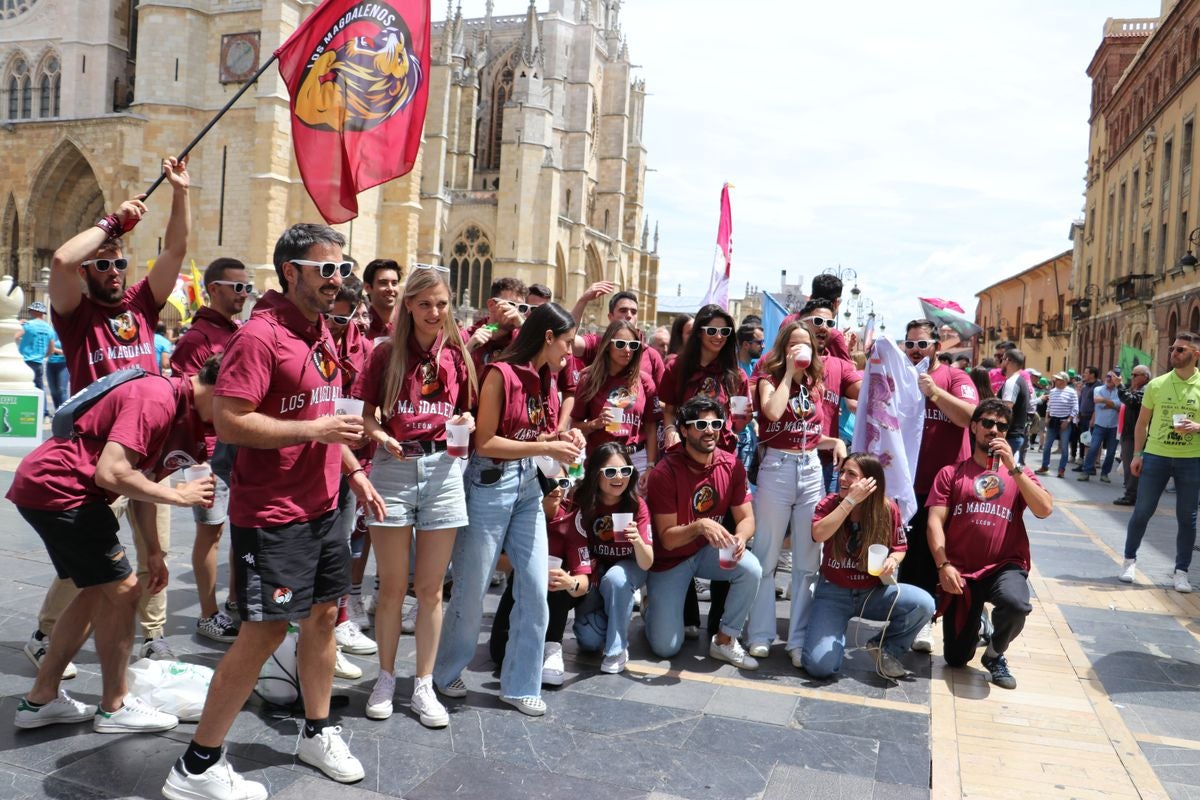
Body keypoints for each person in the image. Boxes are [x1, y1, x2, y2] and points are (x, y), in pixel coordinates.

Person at [162, 224, 386, 800]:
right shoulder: (259, 337)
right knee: (262, 634)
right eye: (327, 269)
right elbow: (230, 420)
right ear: (292, 272)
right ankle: (196, 764)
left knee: (323, 619)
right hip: (274, 514)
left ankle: (317, 730)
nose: (339, 279)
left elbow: (324, 412)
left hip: (322, 505)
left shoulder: (320, 332)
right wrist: (312, 429)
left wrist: (354, 470)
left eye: (342, 268)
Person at [29, 157, 191, 674]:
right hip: (98, 456)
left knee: (154, 549)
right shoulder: (76, 315)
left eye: (120, 262)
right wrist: (111, 225)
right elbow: (59, 261)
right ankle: (47, 634)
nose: (115, 271)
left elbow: (176, 251)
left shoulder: (142, 307)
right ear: (88, 272)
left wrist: (180, 193)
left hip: (148, 450)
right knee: (89, 559)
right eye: (103, 264)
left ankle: (152, 634)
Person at [7, 357, 219, 735]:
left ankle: (41, 699)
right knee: (124, 592)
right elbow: (112, 472)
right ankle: (114, 706)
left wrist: (152, 550)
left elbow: (142, 482)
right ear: (224, 388)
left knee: (97, 592)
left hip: (57, 490)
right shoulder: (157, 397)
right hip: (62, 490)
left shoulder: (193, 421)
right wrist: (180, 497)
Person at [433, 302, 584, 718]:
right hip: (489, 484)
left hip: (527, 488)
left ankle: (520, 684)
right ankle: (445, 671)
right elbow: (485, 442)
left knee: (536, 587)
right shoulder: (501, 374)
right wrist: (546, 445)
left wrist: (565, 438)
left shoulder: (548, 379)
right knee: (471, 586)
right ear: (548, 337)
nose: (571, 353)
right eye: (567, 343)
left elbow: (538, 435)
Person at [356, 264, 477, 726]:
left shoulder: (457, 355)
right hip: (394, 468)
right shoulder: (385, 353)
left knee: (429, 590)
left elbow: (466, 406)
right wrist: (379, 436)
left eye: (442, 304)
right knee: (390, 587)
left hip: (444, 469)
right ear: (408, 305)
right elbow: (364, 416)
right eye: (425, 303)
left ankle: (423, 684)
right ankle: (385, 677)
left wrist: (465, 420)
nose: (435, 312)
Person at [927, 399, 1053, 689]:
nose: (994, 430)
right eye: (987, 423)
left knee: (1016, 604)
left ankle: (995, 653)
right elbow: (935, 522)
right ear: (973, 427)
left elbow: (1045, 509)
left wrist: (1014, 467)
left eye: (1002, 426)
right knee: (956, 659)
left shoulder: (1019, 474)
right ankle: (979, 622)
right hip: (961, 573)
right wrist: (943, 565)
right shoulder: (951, 474)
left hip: (1003, 566)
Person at [750, 322, 847, 665]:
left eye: (807, 345)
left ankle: (798, 639)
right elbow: (773, 413)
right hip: (776, 467)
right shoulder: (768, 376)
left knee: (808, 560)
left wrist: (833, 441)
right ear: (783, 348)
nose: (802, 349)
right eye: (794, 344)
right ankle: (760, 634)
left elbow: (807, 431)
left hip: (809, 469)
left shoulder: (816, 382)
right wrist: (789, 374)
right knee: (766, 554)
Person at [644, 396, 763, 668]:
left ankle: (725, 640)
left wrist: (741, 538)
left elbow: (746, 518)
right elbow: (668, 539)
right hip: (671, 559)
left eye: (715, 424)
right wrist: (700, 525)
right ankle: (653, 605)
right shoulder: (665, 471)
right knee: (666, 648)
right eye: (700, 424)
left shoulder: (731, 465)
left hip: (706, 552)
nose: (709, 430)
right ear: (684, 430)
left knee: (752, 569)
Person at [170, 257, 249, 644]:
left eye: (247, 288)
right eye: (237, 287)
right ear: (213, 288)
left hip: (240, 444)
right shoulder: (196, 339)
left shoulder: (239, 332)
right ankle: (207, 613)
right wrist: (196, 457)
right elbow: (186, 399)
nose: (244, 294)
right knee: (211, 531)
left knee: (241, 527)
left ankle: (234, 600)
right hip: (210, 450)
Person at [803, 453, 934, 679]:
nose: (842, 478)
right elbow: (818, 533)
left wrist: (893, 560)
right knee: (820, 668)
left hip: (874, 591)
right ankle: (832, 635)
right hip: (833, 593)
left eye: (851, 474)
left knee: (924, 603)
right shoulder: (830, 503)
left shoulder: (887, 508)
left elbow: (900, 547)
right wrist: (850, 501)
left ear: (870, 481)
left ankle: (886, 648)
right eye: (842, 472)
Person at [901, 319, 979, 652]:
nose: (916, 350)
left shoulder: (955, 377)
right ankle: (910, 619)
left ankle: (930, 622)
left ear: (936, 346)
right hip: (909, 484)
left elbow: (970, 416)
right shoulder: (901, 377)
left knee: (941, 554)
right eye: (911, 344)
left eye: (923, 344)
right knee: (911, 554)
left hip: (947, 485)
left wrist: (934, 392)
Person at [489, 461, 591, 685]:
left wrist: (570, 582)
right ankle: (532, 642)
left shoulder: (573, 517)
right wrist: (527, 565)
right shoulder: (517, 510)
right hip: (521, 583)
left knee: (555, 577)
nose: (556, 488)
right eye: (549, 481)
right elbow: (496, 560)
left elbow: (583, 581)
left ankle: (553, 646)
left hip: (557, 591)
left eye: (562, 482)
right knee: (499, 654)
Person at [1120, 332, 1200, 591]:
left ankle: (1181, 571)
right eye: (1173, 349)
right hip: (1156, 456)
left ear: (1195, 354)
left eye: (1180, 350)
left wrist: (1197, 426)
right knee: (1142, 511)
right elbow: (1142, 423)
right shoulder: (1157, 384)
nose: (1173, 353)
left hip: (1191, 459)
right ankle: (1129, 561)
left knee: (1187, 517)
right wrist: (1137, 454)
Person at [572, 443, 654, 674]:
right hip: (594, 572)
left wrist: (637, 540)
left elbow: (647, 562)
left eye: (625, 471)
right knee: (588, 642)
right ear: (595, 474)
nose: (619, 478)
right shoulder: (581, 500)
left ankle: (617, 648)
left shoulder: (637, 505)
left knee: (616, 579)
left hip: (627, 569)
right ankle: (616, 616)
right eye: (610, 472)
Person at [570, 320, 659, 469]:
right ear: (607, 346)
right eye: (620, 344)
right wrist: (594, 424)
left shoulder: (644, 381)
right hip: (601, 457)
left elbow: (651, 427)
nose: (627, 350)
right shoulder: (589, 380)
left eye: (633, 345)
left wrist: (650, 465)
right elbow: (575, 425)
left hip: (636, 459)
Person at [570, 286, 666, 385]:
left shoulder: (652, 356)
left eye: (634, 312)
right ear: (610, 317)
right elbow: (570, 342)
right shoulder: (597, 344)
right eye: (623, 310)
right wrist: (582, 301)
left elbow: (662, 396)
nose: (629, 315)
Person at [464, 276, 527, 367]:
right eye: (510, 305)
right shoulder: (466, 337)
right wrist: (468, 348)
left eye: (521, 308)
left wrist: (523, 326)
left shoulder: (521, 340)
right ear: (491, 305)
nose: (515, 312)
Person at [1114, 365, 1152, 505]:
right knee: (1128, 465)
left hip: (1134, 435)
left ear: (1145, 377)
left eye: (1136, 375)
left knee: (1132, 466)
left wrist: (1120, 386)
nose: (1133, 377)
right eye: (1132, 374)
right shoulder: (1137, 388)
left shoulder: (1146, 390)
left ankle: (1131, 496)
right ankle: (1131, 493)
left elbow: (1131, 401)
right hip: (1128, 432)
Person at [1078, 369, 1122, 483]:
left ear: (1117, 379)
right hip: (1100, 425)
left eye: (1111, 377)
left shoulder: (1121, 391)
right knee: (1093, 448)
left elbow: (1120, 406)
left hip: (1114, 426)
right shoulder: (1098, 389)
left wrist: (1105, 401)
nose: (1108, 378)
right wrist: (1113, 404)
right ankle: (1086, 472)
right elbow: (1098, 402)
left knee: (1111, 452)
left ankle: (1105, 474)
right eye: (1107, 376)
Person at [1035, 372, 1078, 479]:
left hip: (1064, 422)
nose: (1055, 381)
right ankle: (1045, 466)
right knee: (1047, 446)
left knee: (1064, 447)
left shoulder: (1072, 392)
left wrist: (1068, 421)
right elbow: (1049, 406)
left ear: (1064, 381)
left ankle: (1061, 470)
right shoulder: (1053, 391)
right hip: (1052, 421)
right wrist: (1047, 417)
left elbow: (1075, 408)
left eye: (1058, 379)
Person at [735, 323, 765, 475]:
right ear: (746, 345)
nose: (763, 346)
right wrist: (753, 422)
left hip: (750, 434)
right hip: (739, 434)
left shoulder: (755, 367)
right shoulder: (734, 368)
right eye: (759, 343)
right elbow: (736, 403)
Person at [15, 300, 53, 414]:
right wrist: (42, 355)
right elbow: (50, 350)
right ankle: (44, 411)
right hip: (39, 362)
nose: (30, 312)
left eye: (31, 310)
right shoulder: (49, 328)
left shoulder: (28, 325)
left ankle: (22, 409)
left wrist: (18, 324)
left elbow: (14, 336)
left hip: (25, 361)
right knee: (40, 387)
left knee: (22, 386)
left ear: (35, 312)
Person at [999, 349, 1031, 460]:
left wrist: (1000, 435)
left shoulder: (1012, 382)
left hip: (1010, 436)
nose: (1000, 363)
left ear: (1007, 360)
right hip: (1015, 435)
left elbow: (1006, 410)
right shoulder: (1020, 380)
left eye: (1001, 359)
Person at [362, 258, 401, 340]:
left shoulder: (409, 323)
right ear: (367, 287)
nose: (390, 289)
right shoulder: (361, 325)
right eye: (383, 283)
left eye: (394, 283)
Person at [1072, 367, 1100, 468]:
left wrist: (1093, 418)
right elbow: (1081, 400)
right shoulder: (1085, 386)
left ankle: (1090, 465)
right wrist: (1078, 414)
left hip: (1091, 418)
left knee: (1090, 442)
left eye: (1086, 373)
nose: (1084, 375)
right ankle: (1084, 463)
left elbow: (1097, 405)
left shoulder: (1098, 387)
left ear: (1092, 375)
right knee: (1084, 440)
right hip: (1082, 417)